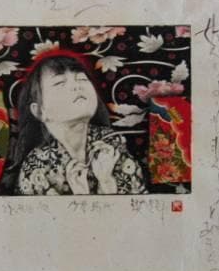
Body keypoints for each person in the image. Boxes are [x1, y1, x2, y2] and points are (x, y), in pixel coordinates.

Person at [13, 49, 146, 195]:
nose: (77, 86)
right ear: (39, 111)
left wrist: (107, 182)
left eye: (82, 79)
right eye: (59, 83)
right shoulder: (36, 167)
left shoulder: (112, 143)